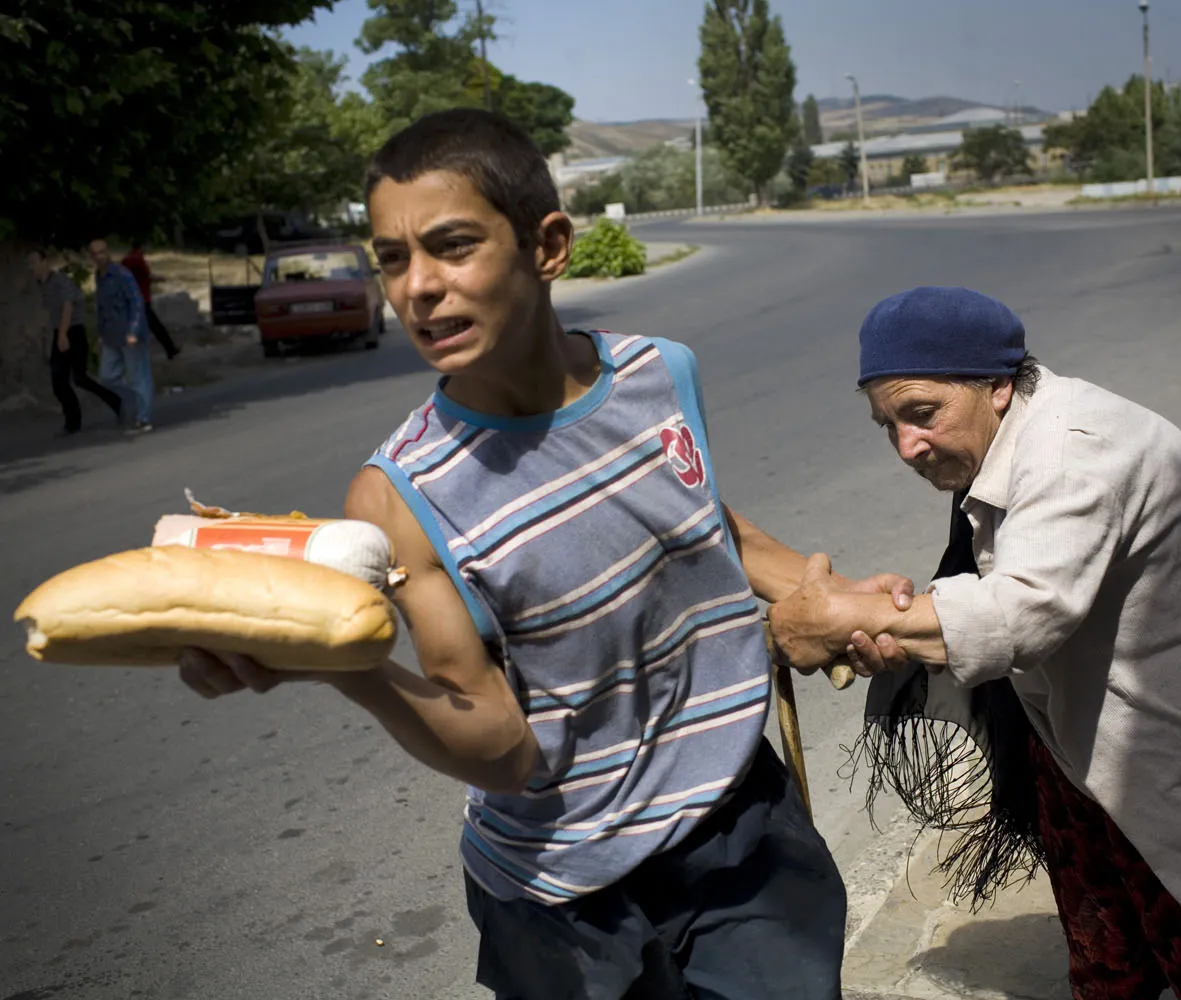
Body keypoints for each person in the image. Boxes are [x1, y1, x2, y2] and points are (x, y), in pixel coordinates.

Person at [174, 108, 908, 1000]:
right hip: (565, 906)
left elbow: (702, 524)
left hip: (741, 828)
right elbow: (499, 748)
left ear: (548, 246)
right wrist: (345, 669)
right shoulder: (400, 496)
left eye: (451, 246)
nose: (418, 287)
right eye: (394, 258)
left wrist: (847, 606)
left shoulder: (658, 373)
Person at [765, 286, 1181, 999]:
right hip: (1085, 753)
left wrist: (844, 621)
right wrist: (883, 616)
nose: (906, 446)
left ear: (999, 386)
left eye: (922, 414)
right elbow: (990, 594)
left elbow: (1022, 612)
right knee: (1108, 965)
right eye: (887, 425)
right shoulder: (1006, 439)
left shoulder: (1076, 451)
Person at [26, 247, 123, 436]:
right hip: (60, 331)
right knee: (59, 380)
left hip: (73, 332)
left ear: (45, 262)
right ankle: (73, 421)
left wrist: (62, 335)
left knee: (79, 378)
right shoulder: (41, 284)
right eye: (29, 264)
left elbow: (68, 307)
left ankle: (114, 401)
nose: (31, 267)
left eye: (34, 262)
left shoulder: (61, 281)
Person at [90, 238, 154, 434]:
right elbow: (101, 307)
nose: (100, 256)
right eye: (95, 253)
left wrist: (133, 331)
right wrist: (101, 333)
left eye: (102, 252)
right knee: (107, 376)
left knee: (137, 375)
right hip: (111, 334)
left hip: (128, 333)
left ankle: (143, 418)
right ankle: (139, 398)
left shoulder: (121, 274)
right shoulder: (99, 276)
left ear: (108, 252)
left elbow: (136, 302)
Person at [121, 242, 181, 359]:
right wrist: (158, 278)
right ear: (142, 246)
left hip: (131, 298)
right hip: (142, 299)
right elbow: (146, 276)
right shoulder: (138, 260)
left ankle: (169, 349)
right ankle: (170, 349)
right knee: (156, 326)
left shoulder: (126, 260)